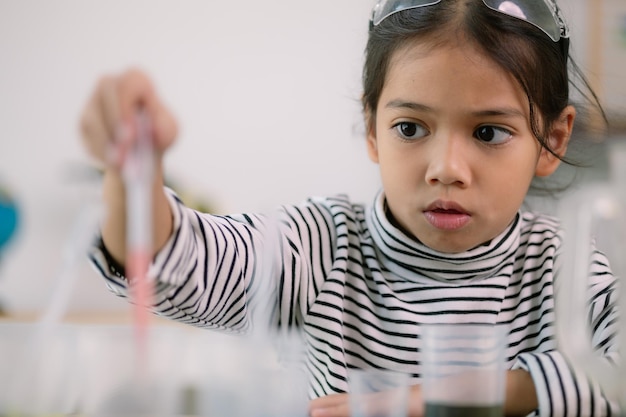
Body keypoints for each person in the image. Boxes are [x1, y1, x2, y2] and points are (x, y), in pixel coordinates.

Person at [79, 0, 619, 416]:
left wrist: (425, 400)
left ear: (553, 137)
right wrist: (134, 173)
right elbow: (171, 259)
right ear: (372, 130)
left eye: (488, 132)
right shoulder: (320, 246)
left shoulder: (566, 265)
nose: (446, 168)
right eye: (410, 128)